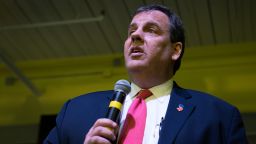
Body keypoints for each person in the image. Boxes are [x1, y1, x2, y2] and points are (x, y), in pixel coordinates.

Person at [44, 4, 248, 144]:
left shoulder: (218, 116)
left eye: (151, 30)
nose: (135, 35)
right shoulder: (75, 112)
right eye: (131, 31)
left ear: (175, 50)